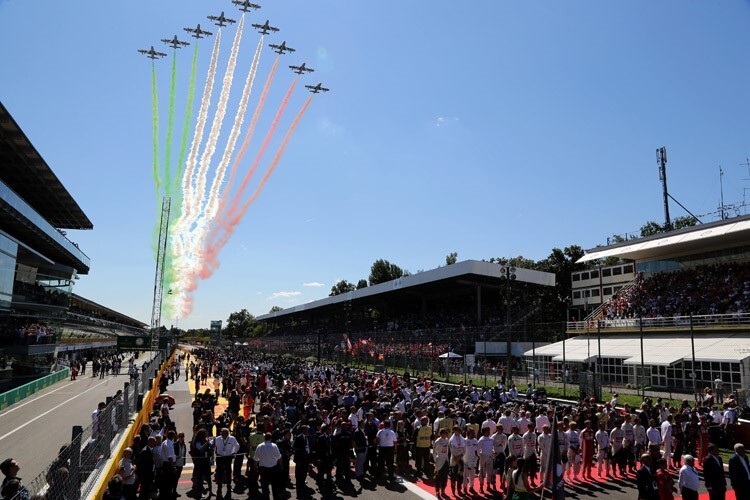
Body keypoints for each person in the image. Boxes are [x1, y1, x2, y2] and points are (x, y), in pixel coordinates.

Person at [254, 433, 282, 500]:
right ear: (271, 438)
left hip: (263, 469)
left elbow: (256, 459)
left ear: (264, 438)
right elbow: (279, 457)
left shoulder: (259, 446)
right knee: (275, 486)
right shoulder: (274, 446)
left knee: (264, 486)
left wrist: (255, 467)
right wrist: (280, 465)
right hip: (273, 468)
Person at [433, 428, 450, 499]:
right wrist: (435, 461)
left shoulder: (447, 440)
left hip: (445, 461)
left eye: (446, 433)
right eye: (444, 433)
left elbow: (448, 450)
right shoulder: (438, 441)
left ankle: (443, 491)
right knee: (438, 477)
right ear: (441, 434)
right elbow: (434, 452)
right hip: (439, 461)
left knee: (445, 477)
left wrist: (448, 460)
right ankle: (437, 492)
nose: (446, 434)